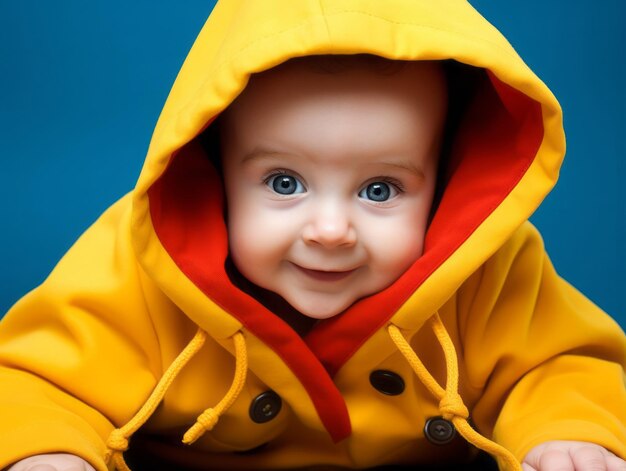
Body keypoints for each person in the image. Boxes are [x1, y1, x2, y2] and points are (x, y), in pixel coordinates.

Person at [1, 1, 625, 471]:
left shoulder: (489, 268)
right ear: (214, 170)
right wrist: (50, 450)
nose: (330, 230)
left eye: (379, 189)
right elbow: (33, 381)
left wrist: (567, 428)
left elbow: (563, 364)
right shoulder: (139, 264)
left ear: (445, 184)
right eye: (282, 182)